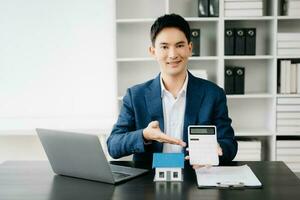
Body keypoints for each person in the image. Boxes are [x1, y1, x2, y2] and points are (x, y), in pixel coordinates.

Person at [107, 13, 237, 166]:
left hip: (195, 176)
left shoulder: (213, 94)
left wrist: (218, 150)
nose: (173, 54)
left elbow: (229, 144)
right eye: (164, 47)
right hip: (150, 181)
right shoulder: (135, 96)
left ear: (189, 48)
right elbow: (113, 146)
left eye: (180, 45)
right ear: (153, 51)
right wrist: (144, 135)